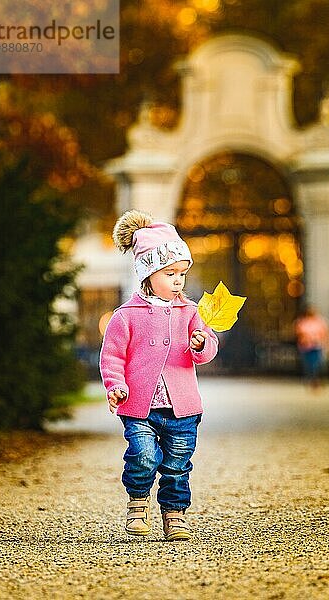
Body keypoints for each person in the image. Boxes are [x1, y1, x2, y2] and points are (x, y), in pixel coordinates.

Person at [99, 210, 218, 541]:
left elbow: (208, 347)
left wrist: (200, 344)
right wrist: (116, 386)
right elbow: (112, 356)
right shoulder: (126, 315)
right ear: (148, 274)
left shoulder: (191, 312)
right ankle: (138, 501)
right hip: (140, 407)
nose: (178, 280)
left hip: (182, 410)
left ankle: (174, 514)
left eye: (182, 273)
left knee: (178, 466)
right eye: (170, 273)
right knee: (143, 455)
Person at [294, 305, 329, 389]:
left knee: (316, 363)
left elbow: (325, 333)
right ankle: (310, 379)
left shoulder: (320, 321)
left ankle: (315, 379)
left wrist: (327, 342)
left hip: (316, 345)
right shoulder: (302, 321)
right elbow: (299, 333)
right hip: (305, 346)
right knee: (308, 364)